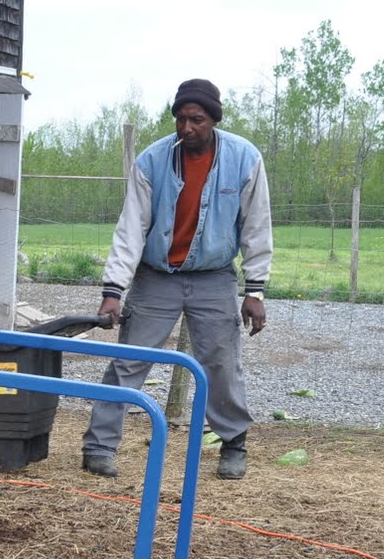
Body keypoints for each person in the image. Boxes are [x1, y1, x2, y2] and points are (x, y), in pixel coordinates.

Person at [81, 78, 273, 481]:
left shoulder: (244, 159)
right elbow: (131, 228)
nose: (186, 128)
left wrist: (255, 289)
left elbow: (257, 227)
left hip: (214, 276)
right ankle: (99, 446)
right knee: (129, 360)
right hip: (157, 276)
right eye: (180, 119)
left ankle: (234, 443)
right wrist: (113, 290)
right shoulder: (152, 162)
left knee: (221, 362)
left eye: (196, 120)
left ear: (214, 120)